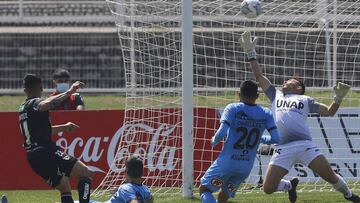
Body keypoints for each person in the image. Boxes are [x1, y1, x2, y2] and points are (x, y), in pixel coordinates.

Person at [239, 31, 360, 203]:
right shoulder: (276, 95)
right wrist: (251, 54)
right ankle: (289, 185)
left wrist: (338, 98)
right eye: (286, 81)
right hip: (282, 147)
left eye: (291, 81)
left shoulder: (305, 100)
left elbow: (330, 112)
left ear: (299, 88)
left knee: (331, 176)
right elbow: (259, 77)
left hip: (305, 145)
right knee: (268, 188)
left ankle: (350, 195)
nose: (286, 82)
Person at [199, 80, 280, 203]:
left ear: (238, 94)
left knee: (204, 189)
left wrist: (214, 140)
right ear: (257, 96)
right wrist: (261, 138)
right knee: (223, 197)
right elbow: (276, 138)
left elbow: (222, 131)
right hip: (245, 168)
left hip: (226, 164)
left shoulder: (233, 108)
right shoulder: (266, 113)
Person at [19, 74, 92, 203]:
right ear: (41, 89)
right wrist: (70, 91)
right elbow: (47, 103)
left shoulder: (23, 108)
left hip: (33, 157)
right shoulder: (36, 103)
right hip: (46, 151)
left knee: (64, 187)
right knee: (85, 173)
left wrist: (64, 127)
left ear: (24, 90)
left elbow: (43, 131)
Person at [76, 156, 153, 203]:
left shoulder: (126, 188)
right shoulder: (146, 190)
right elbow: (150, 199)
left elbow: (133, 201)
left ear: (125, 173)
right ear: (142, 173)